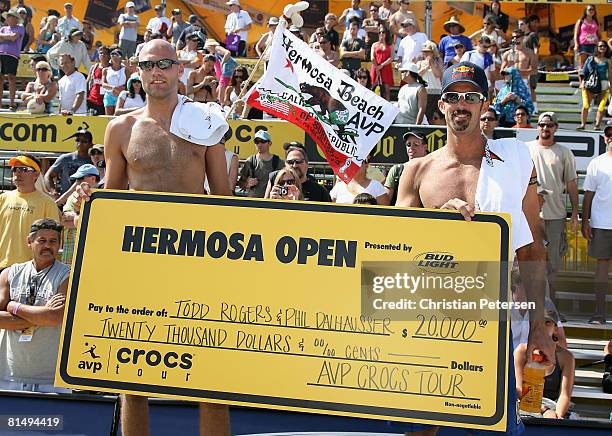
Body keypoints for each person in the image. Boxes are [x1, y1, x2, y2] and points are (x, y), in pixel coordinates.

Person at [72, 38, 232, 436]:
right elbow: (112, 199)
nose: (157, 71)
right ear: (138, 72)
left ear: (180, 69)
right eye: (148, 65)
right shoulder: (120, 127)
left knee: (211, 373)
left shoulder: (205, 122)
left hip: (198, 256)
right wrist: (86, 205)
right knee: (133, 373)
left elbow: (224, 197)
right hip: (140, 260)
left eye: (165, 63)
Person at [395, 61, 554, 436]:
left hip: (492, 320)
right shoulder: (417, 170)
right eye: (453, 96)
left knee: (497, 429)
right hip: (426, 317)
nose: (460, 105)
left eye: (470, 97)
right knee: (420, 431)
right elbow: (394, 247)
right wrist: (437, 222)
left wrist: (538, 327)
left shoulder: (514, 159)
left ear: (485, 105)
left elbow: (531, 249)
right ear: (441, 105)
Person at [0, 218, 70, 393]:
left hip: (51, 379)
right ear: (29, 242)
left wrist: (13, 307)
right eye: (42, 240)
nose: (48, 246)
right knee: (8, 422)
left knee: (53, 422)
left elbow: (54, 317)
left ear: (59, 244)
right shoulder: (10, 273)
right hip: (10, 374)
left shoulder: (67, 275)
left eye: (53, 241)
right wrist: (41, 315)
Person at [527, 112, 579, 293]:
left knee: (552, 264)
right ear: (537, 127)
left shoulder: (564, 152)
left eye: (549, 125)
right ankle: (529, 306)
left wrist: (574, 212)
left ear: (556, 128)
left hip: (555, 216)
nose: (545, 128)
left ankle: (552, 309)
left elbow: (572, 183)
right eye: (542, 124)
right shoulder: (526, 149)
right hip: (530, 216)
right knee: (528, 262)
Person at [0, 156, 60, 272]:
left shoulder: (47, 203)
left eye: (23, 169)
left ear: (36, 175)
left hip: (31, 269)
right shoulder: (3, 199)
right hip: (3, 265)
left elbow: (54, 239)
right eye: (14, 169)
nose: (18, 173)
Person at [514, 309, 575, 419]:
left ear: (555, 329)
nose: (542, 326)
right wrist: (543, 409)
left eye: (547, 323)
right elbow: (518, 388)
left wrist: (557, 417)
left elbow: (564, 394)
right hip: (524, 405)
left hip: (553, 408)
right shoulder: (521, 352)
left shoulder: (566, 357)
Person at [581, 125, 612, 324]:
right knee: (601, 267)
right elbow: (589, 195)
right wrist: (585, 221)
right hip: (601, 223)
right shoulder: (597, 163)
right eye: (609, 134)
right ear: (604, 138)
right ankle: (599, 312)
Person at [264, 142, 331, 202]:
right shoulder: (275, 180)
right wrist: (272, 202)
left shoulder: (319, 191)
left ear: (307, 164)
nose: (294, 165)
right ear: (285, 164)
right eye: (290, 162)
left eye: (298, 161)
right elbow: (264, 211)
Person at [60, 165, 99, 265]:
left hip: (93, 253)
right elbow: (64, 219)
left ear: (93, 178)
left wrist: (77, 218)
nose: (77, 182)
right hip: (71, 253)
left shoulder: (104, 198)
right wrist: (88, 218)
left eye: (80, 178)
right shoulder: (73, 196)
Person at [45, 128, 93, 195]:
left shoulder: (93, 160)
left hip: (85, 200)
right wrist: (53, 191)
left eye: (84, 141)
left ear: (91, 144)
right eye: (77, 140)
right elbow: (48, 176)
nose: (80, 143)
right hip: (65, 201)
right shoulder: (65, 158)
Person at [385, 130, 427, 205]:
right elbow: (385, 201)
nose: (411, 147)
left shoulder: (433, 169)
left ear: (425, 147)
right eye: (408, 144)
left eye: (416, 144)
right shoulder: (397, 170)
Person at [238, 130, 284, 198]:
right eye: (256, 142)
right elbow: (241, 183)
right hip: (253, 202)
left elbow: (285, 183)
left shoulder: (278, 162)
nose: (259, 144)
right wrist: (247, 184)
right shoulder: (250, 161)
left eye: (263, 141)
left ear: (270, 143)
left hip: (271, 202)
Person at [578, 42, 611, 130]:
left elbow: (610, 74)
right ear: (597, 47)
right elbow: (584, 71)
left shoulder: (608, 60)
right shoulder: (591, 59)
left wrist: (610, 85)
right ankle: (583, 124)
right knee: (586, 105)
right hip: (590, 82)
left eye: (604, 46)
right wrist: (582, 82)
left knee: (601, 106)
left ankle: (597, 125)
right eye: (600, 46)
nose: (603, 48)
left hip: (603, 83)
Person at [0, 10, 24, 111]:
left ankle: (12, 103)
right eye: (8, 16)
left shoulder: (20, 28)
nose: (8, 18)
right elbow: (11, 37)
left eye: (11, 16)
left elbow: (14, 38)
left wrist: (3, 38)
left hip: (12, 55)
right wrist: (8, 37)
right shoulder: (3, 28)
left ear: (15, 19)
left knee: (11, 78)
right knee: (0, 79)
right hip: (1, 54)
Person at [417, 41, 443, 118]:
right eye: (425, 52)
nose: (426, 54)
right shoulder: (420, 63)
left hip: (436, 91)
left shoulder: (438, 62)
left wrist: (432, 65)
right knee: (425, 113)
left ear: (433, 53)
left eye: (428, 52)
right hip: (424, 91)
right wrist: (426, 67)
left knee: (436, 114)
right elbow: (418, 74)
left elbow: (438, 75)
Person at [370, 25, 394, 101]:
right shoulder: (374, 44)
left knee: (387, 91)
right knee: (374, 88)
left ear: (386, 33)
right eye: (379, 32)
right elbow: (372, 57)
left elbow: (391, 57)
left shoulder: (390, 45)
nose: (381, 34)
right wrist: (377, 67)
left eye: (383, 32)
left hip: (386, 67)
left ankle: (388, 108)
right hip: (375, 67)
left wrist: (382, 65)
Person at [574, 5, 600, 71]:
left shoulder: (596, 21)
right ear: (585, 11)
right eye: (589, 9)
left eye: (593, 9)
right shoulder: (580, 21)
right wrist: (576, 44)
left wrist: (599, 43)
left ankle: (591, 80)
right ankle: (582, 81)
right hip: (583, 44)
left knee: (593, 63)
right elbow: (576, 34)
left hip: (594, 44)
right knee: (582, 64)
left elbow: (599, 34)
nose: (591, 11)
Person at [101, 48, 127, 115]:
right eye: (113, 55)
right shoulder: (106, 70)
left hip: (121, 94)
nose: (115, 57)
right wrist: (114, 88)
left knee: (118, 116)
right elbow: (103, 84)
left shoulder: (125, 69)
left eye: (117, 55)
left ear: (121, 58)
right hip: (109, 94)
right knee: (108, 117)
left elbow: (128, 83)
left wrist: (121, 89)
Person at [86, 45, 110, 115]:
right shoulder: (94, 67)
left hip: (106, 102)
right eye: (101, 53)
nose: (103, 55)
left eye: (105, 53)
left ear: (109, 56)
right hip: (92, 100)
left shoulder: (112, 68)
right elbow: (87, 83)